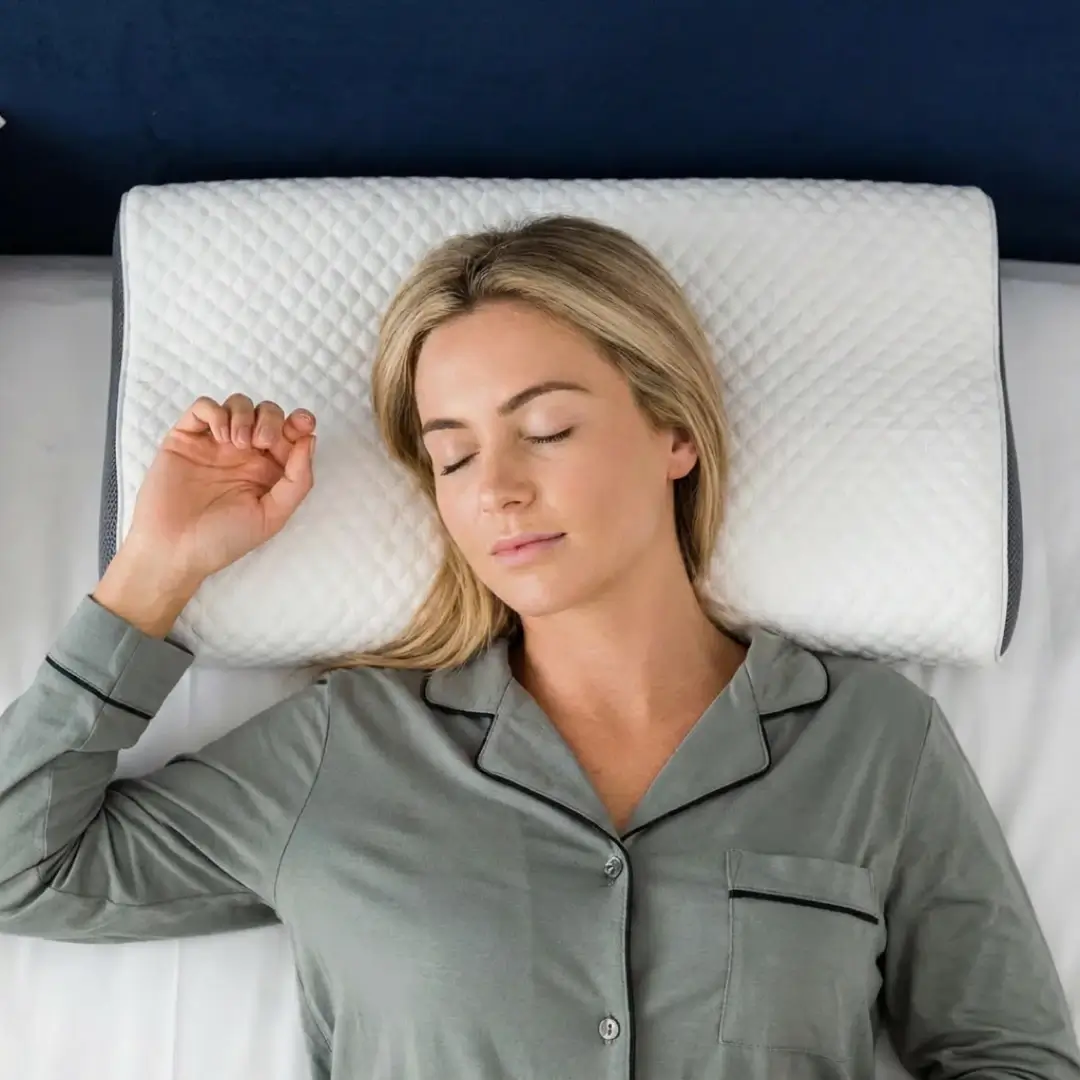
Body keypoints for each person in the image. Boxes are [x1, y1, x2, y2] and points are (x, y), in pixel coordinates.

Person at [0, 215, 1077, 1080]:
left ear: (674, 433)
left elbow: (1007, 1052)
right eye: (453, 456)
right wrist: (157, 573)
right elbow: (17, 868)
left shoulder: (871, 740)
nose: (501, 487)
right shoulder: (346, 748)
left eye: (549, 429)